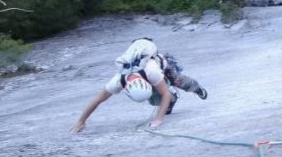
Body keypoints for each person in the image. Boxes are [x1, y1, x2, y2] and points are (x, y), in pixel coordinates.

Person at [70, 37, 208, 133]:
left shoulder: (151, 71)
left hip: (162, 65)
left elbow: (164, 93)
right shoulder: (118, 80)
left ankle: (197, 88)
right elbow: (98, 100)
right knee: (156, 100)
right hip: (146, 69)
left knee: (178, 81)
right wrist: (81, 120)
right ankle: (173, 100)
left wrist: (158, 119)